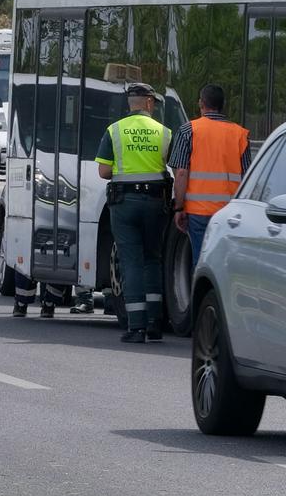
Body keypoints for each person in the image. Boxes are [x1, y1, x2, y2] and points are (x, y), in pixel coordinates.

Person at [96, 82, 173, 343]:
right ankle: (155, 323)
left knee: (130, 262)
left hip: (124, 203)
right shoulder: (164, 132)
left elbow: (104, 172)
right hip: (155, 202)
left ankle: (136, 327)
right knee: (153, 259)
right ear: (150, 103)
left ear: (131, 103)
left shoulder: (114, 131)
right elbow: (174, 165)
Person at [170, 84, 251, 269]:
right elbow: (247, 176)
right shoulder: (240, 134)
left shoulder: (188, 130)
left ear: (201, 103)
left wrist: (179, 207)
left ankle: (201, 297)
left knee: (201, 263)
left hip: (198, 213)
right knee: (226, 265)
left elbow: (181, 173)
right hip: (229, 214)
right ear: (223, 105)